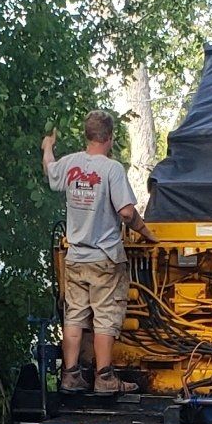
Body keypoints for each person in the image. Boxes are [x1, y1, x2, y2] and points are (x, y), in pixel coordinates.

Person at [42, 110, 152, 396]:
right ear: (110, 137)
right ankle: (104, 378)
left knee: (75, 317)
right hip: (104, 258)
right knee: (105, 317)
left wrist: (47, 147)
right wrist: (147, 232)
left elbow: (50, 171)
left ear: (86, 136)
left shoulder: (70, 163)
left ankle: (70, 376)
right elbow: (127, 212)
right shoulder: (111, 169)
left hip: (75, 257)